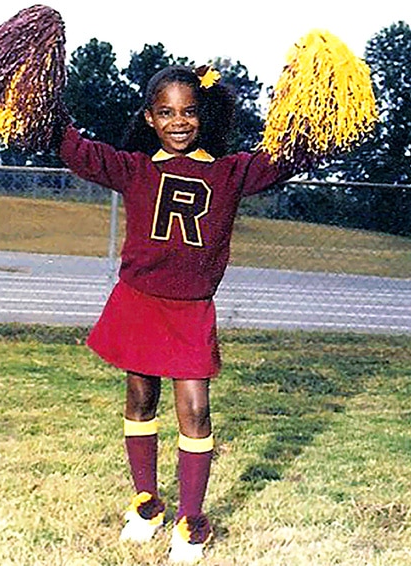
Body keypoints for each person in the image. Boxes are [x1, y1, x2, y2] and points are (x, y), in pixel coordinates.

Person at [58, 64, 295, 564]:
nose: (178, 121)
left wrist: (317, 119)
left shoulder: (231, 171)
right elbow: (78, 152)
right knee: (141, 399)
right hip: (140, 300)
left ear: (202, 115)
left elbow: (285, 158)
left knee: (195, 409)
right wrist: (44, 118)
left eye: (188, 111)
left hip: (190, 311)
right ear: (149, 118)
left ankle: (192, 520)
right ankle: (147, 504)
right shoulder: (136, 169)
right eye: (165, 112)